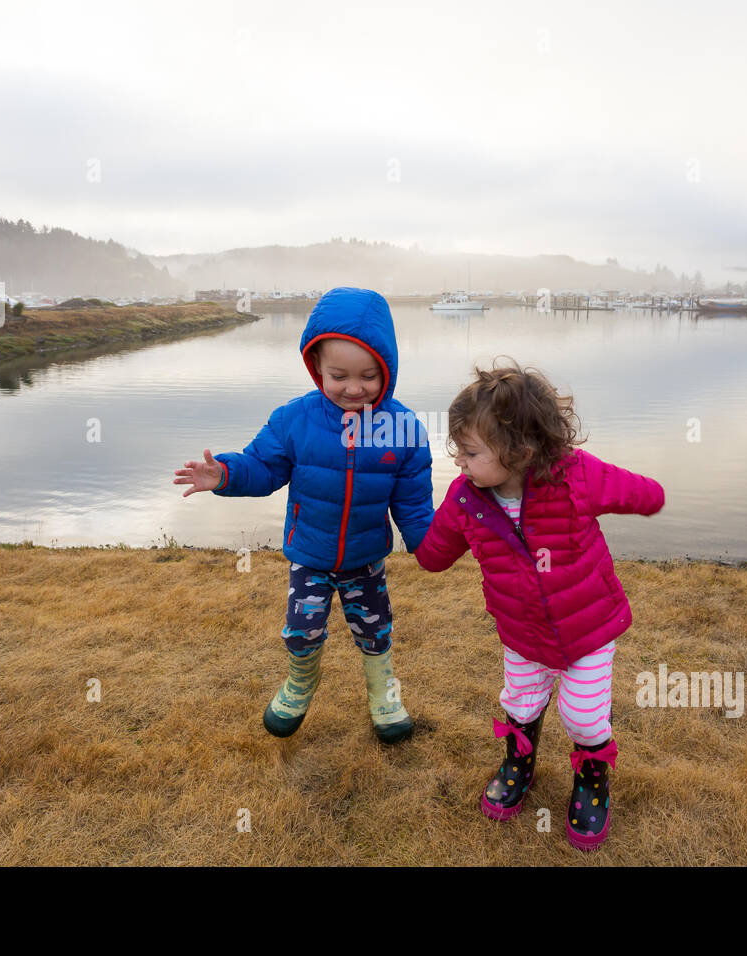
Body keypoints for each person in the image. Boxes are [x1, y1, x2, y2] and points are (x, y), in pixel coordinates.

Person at [412, 358, 665, 849]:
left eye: (468, 452)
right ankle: (519, 763)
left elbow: (641, 492)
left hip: (587, 631)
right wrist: (407, 513)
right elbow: (432, 557)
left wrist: (651, 497)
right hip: (523, 633)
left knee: (584, 716)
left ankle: (592, 780)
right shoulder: (466, 500)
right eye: (456, 451)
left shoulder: (575, 477)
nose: (458, 462)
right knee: (520, 702)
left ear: (519, 449)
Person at [174, 287, 433, 743]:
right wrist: (226, 474)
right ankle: (300, 682)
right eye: (339, 375)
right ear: (316, 368)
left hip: (366, 558)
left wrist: (431, 544)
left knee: (375, 631)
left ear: (387, 369)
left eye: (369, 376)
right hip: (310, 556)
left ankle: (383, 694)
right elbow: (263, 467)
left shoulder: (404, 428)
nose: (354, 389)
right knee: (302, 630)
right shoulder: (293, 419)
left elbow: (413, 503)